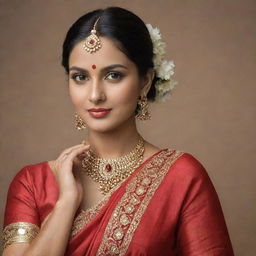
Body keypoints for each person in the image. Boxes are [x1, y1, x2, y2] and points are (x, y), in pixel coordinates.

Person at [2, 6, 234, 256]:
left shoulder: (183, 178)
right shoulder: (32, 184)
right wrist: (65, 204)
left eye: (113, 75)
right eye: (80, 77)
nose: (94, 95)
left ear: (145, 81)